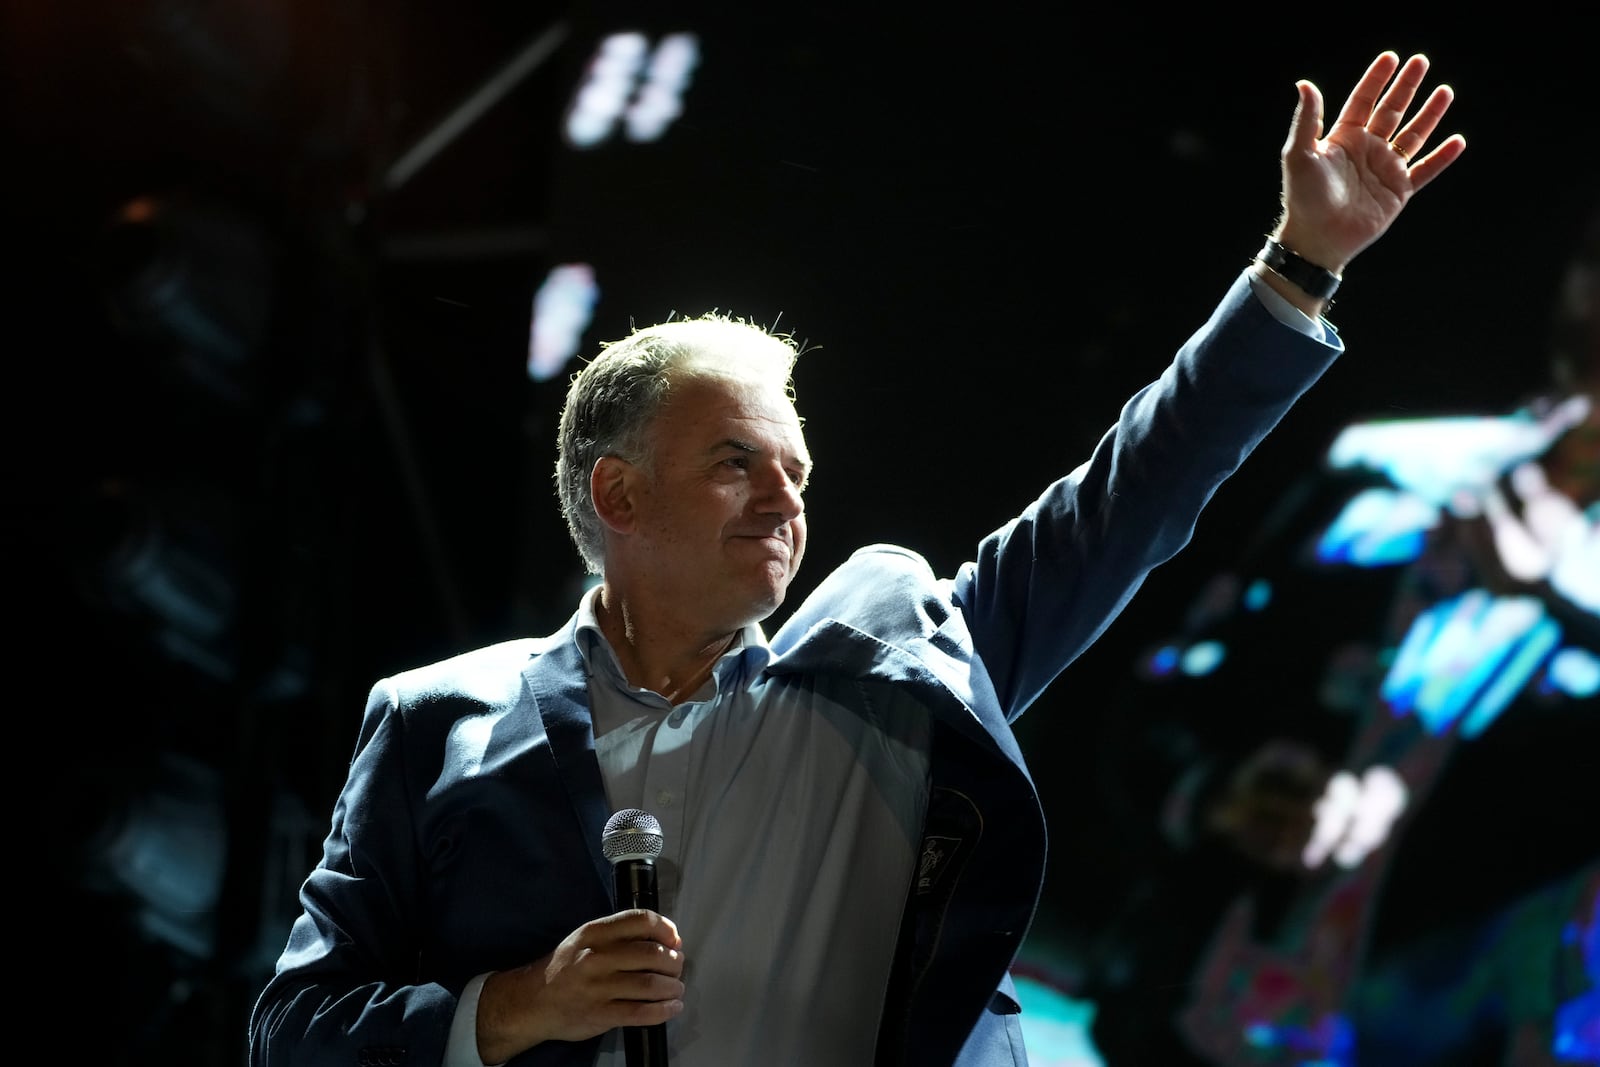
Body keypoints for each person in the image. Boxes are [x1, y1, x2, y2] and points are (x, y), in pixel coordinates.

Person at [248, 50, 1467, 1067]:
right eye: (737, 460)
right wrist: (510, 1007)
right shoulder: (433, 722)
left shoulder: (886, 679)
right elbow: (293, 1029)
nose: (785, 496)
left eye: (797, 470)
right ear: (616, 490)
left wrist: (1300, 266)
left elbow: (1124, 503)